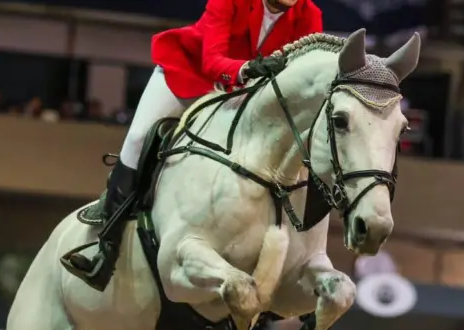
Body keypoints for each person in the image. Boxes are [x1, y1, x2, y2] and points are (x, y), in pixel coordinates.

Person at [67, 0, 323, 291]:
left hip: (243, 95)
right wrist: (250, 69)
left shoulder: (309, 15)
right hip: (189, 75)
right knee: (139, 138)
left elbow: (303, 70)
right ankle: (105, 246)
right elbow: (212, 61)